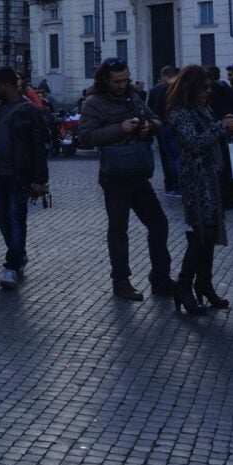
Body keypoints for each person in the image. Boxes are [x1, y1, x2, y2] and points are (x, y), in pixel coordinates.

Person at [78, 57, 175, 302]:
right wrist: (120, 128)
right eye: (117, 81)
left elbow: (157, 119)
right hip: (114, 176)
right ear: (105, 80)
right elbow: (86, 137)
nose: (122, 85)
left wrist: (149, 126)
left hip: (138, 173)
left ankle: (160, 277)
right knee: (118, 230)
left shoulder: (133, 96)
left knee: (159, 223)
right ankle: (121, 281)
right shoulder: (93, 102)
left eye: (125, 80)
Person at [166, 65, 233, 314]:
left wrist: (227, 129)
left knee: (210, 232)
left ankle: (204, 283)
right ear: (191, 88)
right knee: (202, 233)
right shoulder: (180, 112)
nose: (209, 92)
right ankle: (184, 285)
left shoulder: (202, 109)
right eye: (205, 87)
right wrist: (221, 127)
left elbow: (210, 136)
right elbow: (193, 142)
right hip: (196, 178)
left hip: (212, 175)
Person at [0, 67, 49, 289]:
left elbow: (39, 147)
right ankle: (18, 255)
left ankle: (11, 265)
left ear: (6, 85)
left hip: (18, 175)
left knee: (16, 219)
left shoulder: (29, 111)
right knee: (2, 219)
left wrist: (40, 180)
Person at [147, 66, 181, 197]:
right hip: (175, 126)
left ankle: (170, 185)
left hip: (161, 127)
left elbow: (149, 109)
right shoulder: (177, 88)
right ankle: (179, 186)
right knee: (176, 157)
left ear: (163, 75)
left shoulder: (155, 90)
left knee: (166, 158)